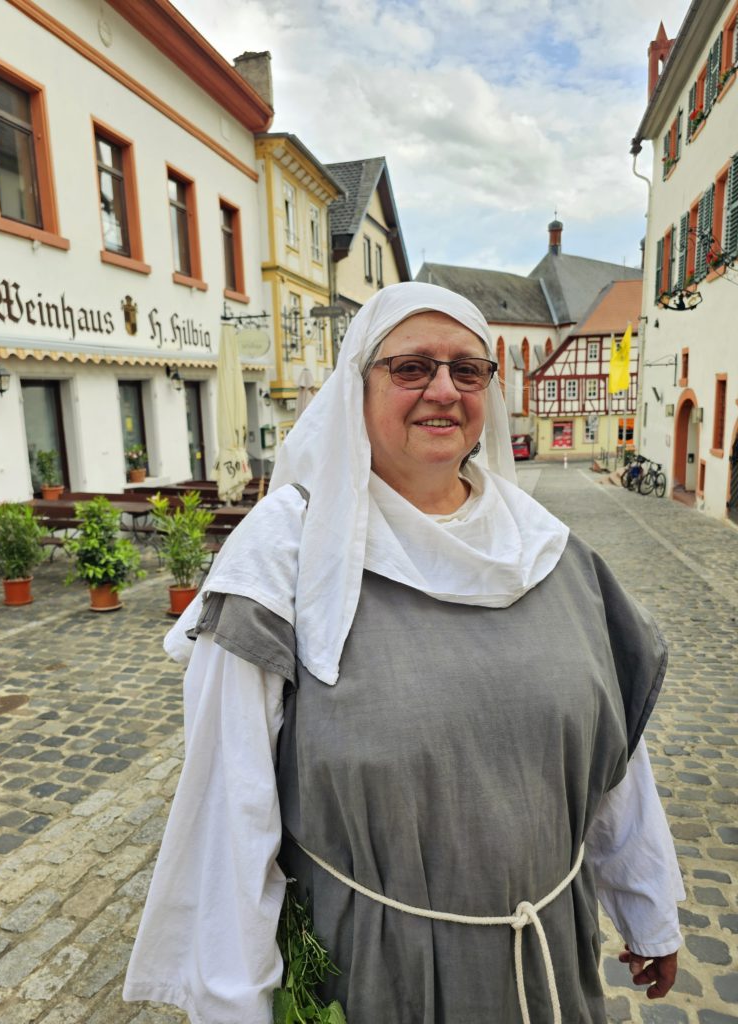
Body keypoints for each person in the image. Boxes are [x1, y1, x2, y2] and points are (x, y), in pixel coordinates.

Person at [124, 282, 683, 1024]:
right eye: (412, 367)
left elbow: (611, 754)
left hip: (546, 966)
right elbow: (233, 812)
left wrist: (648, 907)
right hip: (377, 979)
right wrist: (235, 1006)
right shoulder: (283, 559)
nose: (443, 391)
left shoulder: (549, 549)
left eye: (467, 369)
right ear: (359, 385)